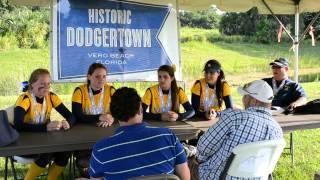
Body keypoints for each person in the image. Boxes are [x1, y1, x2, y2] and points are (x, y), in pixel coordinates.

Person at [89, 87, 191, 179]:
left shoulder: (101, 149)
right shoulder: (167, 136)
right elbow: (184, 176)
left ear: (114, 114)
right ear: (139, 109)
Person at [194, 80, 283, 180]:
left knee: (183, 163)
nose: (243, 100)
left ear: (254, 101)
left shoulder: (236, 118)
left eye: (245, 96)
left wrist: (198, 159)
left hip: (218, 177)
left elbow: (204, 147)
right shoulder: (277, 130)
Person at [14, 68, 75, 180]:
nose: (46, 87)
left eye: (48, 84)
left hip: (45, 140)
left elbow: (71, 116)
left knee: (66, 151)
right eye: (42, 83)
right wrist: (45, 127)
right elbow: (18, 125)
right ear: (32, 84)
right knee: (47, 153)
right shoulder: (25, 99)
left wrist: (68, 122)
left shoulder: (51, 97)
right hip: (25, 142)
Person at [72, 62, 115, 177]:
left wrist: (112, 119)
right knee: (84, 162)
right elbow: (77, 115)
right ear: (89, 76)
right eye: (97, 76)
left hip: (106, 134)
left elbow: (121, 112)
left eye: (104, 76)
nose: (101, 79)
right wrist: (99, 116)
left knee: (111, 158)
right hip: (84, 136)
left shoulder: (111, 90)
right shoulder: (79, 91)